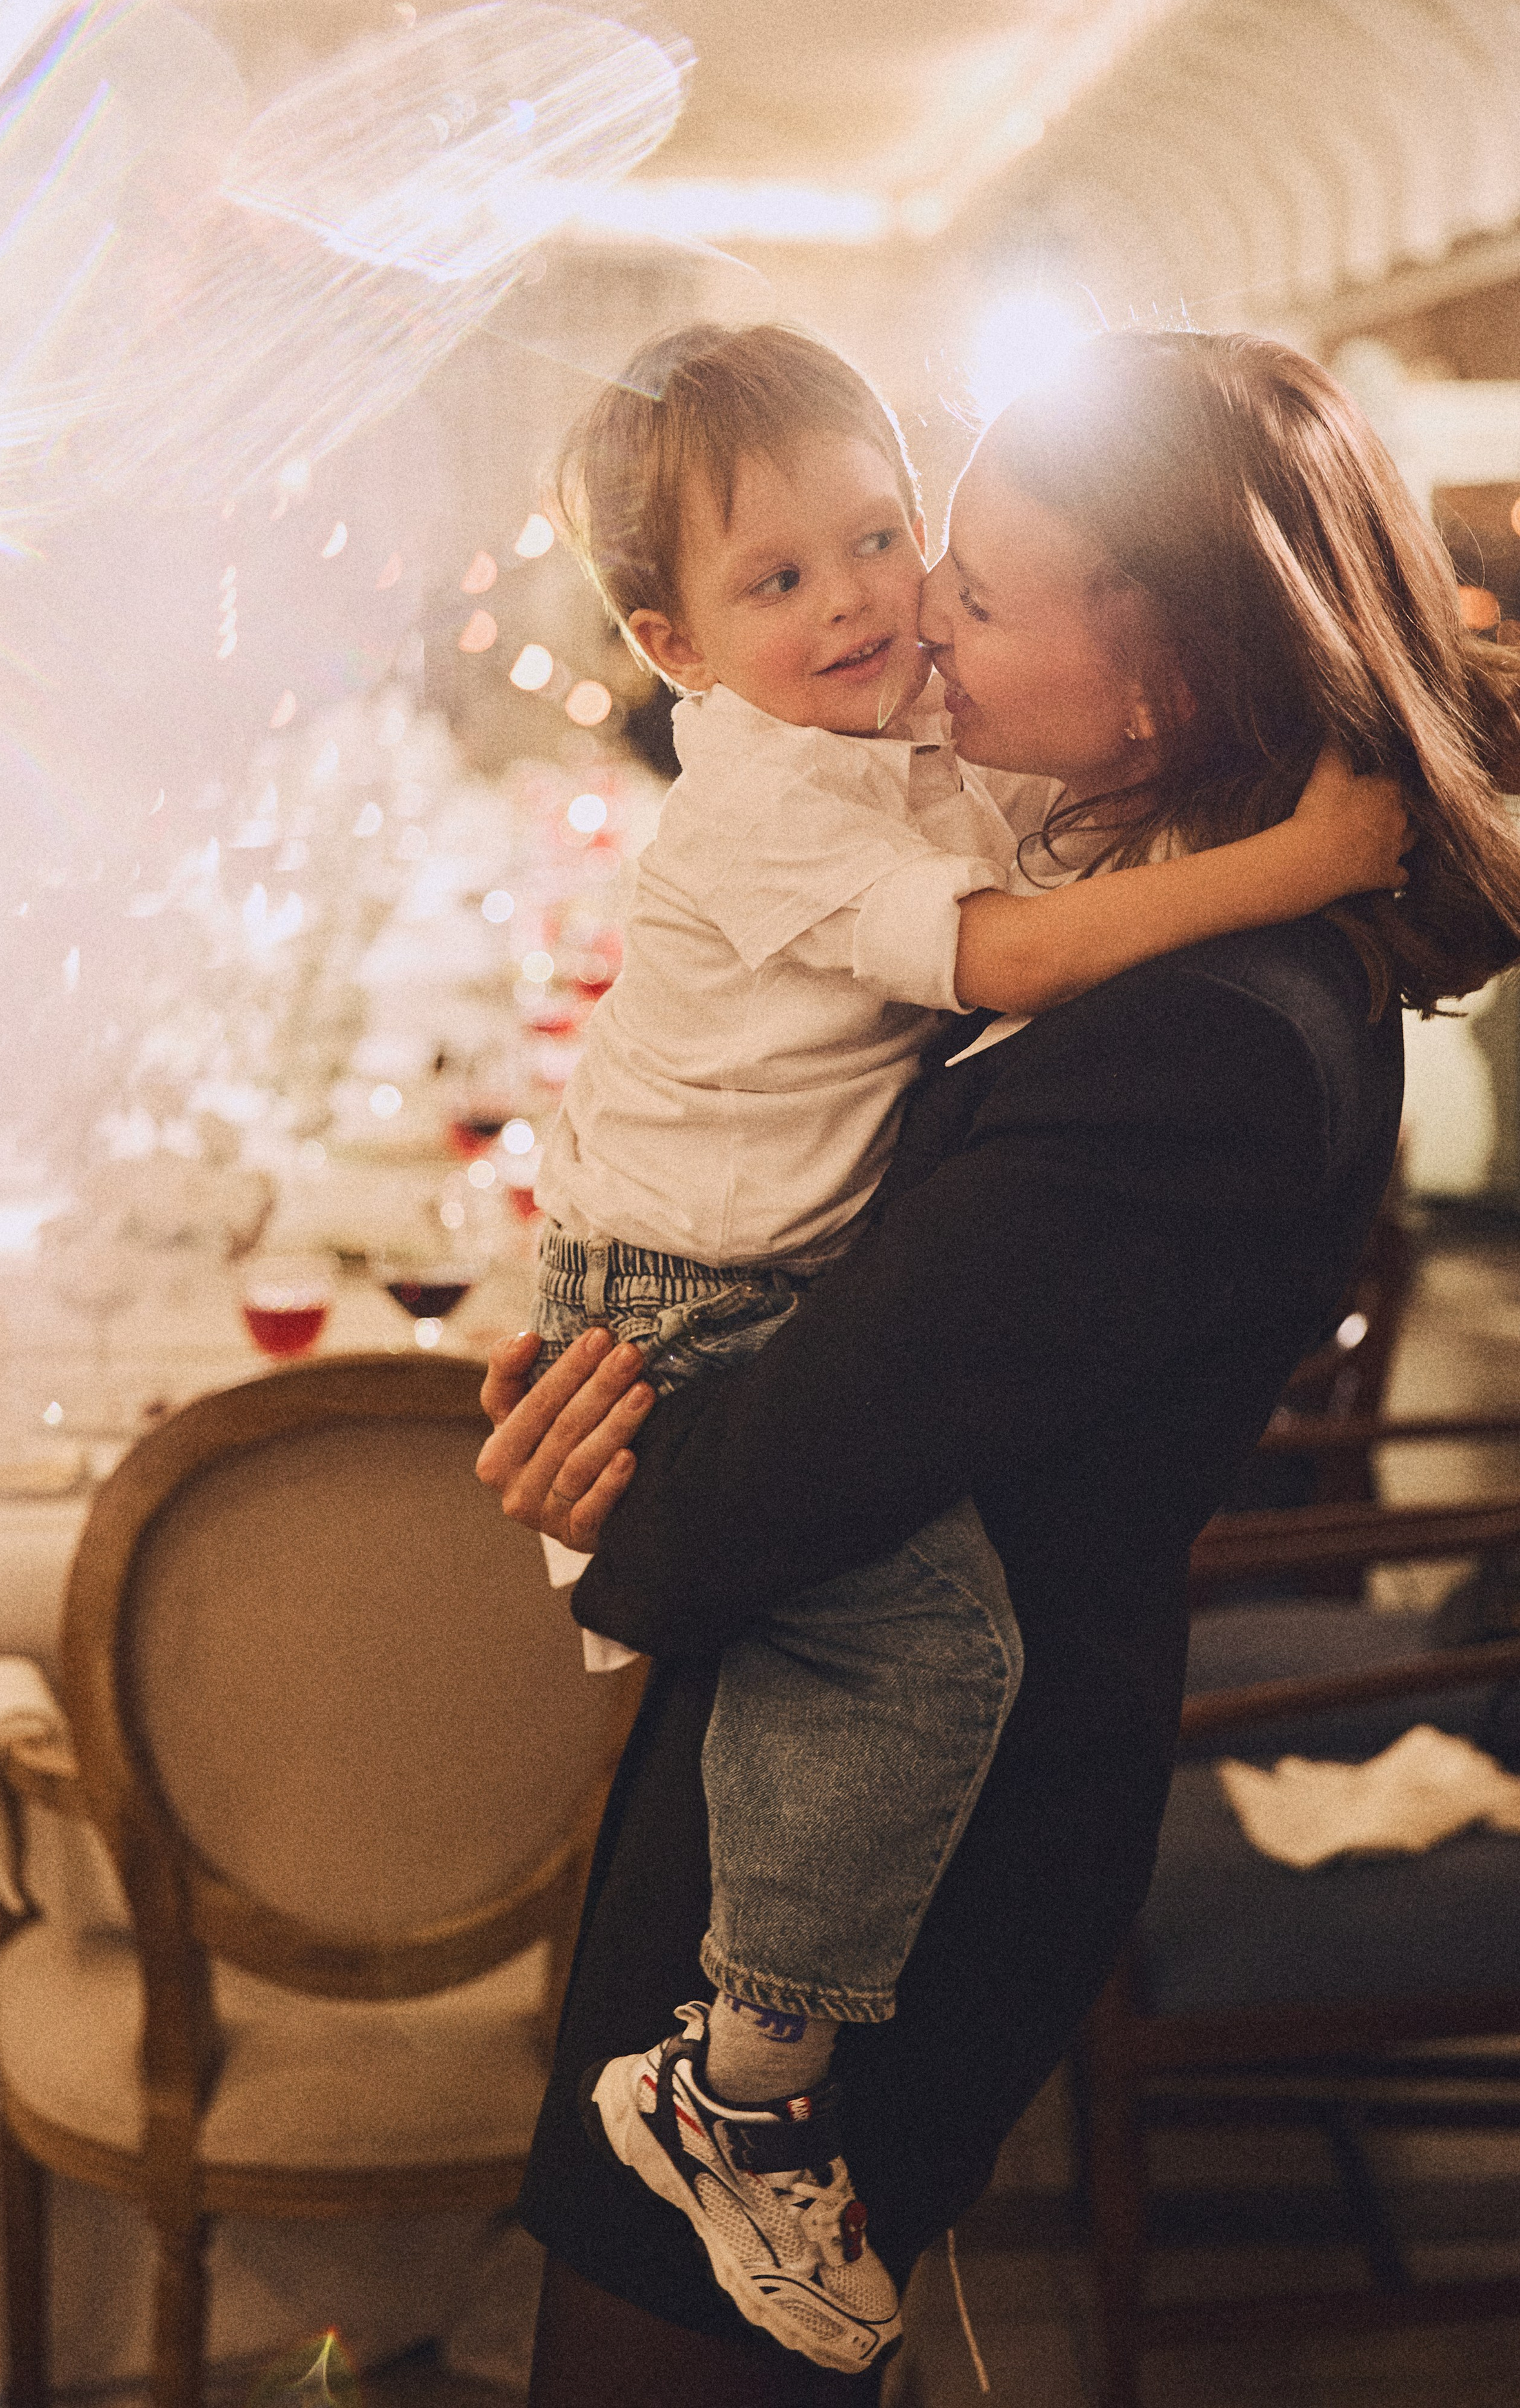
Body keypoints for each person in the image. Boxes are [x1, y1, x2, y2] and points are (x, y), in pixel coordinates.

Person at [479, 326, 1520, 2407]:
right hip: (841, 1748)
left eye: (968, 589)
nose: (916, 628)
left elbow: (803, 1472)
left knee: (666, 2369)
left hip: (903, 1842)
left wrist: (607, 1487)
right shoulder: (1138, 892)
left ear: (1172, 672)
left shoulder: (1218, 1033)